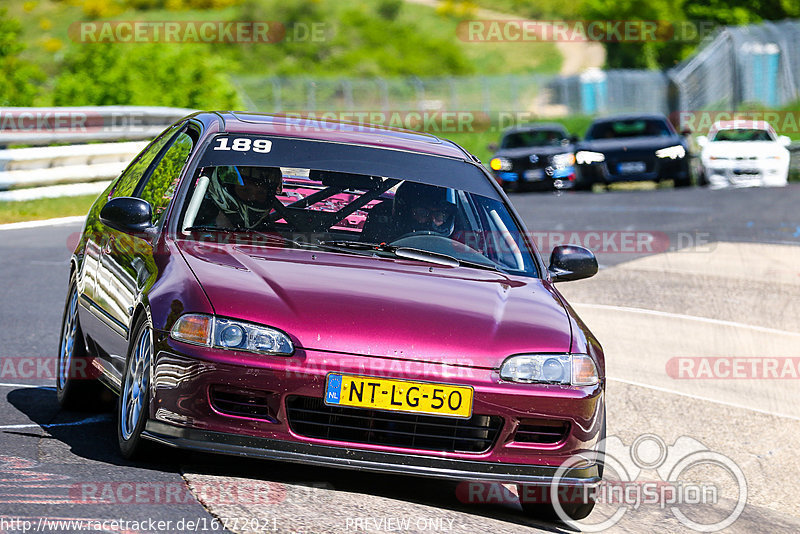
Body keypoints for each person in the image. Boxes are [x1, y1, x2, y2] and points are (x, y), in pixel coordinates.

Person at [205, 166, 283, 229]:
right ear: (226, 188)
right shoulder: (196, 224)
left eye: (261, 193)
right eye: (246, 190)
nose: (253, 197)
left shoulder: (272, 236)